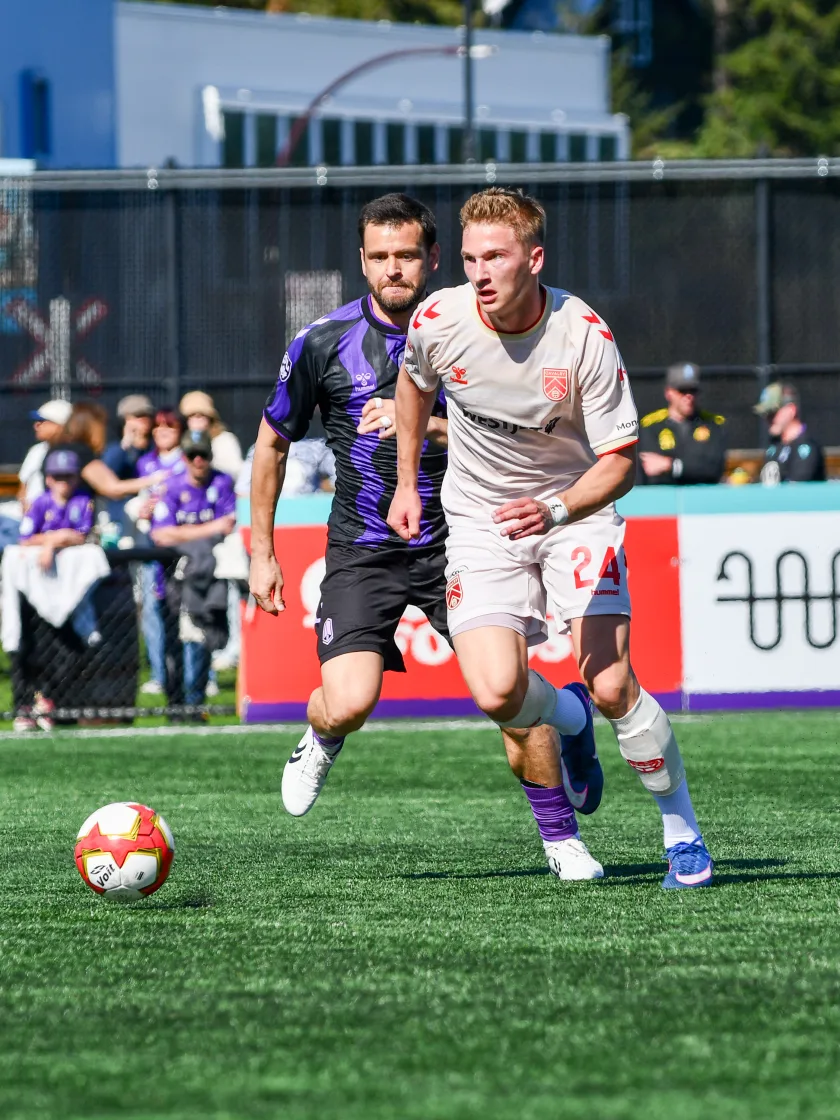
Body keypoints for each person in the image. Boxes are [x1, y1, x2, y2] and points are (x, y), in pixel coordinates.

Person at [249, 192, 603, 882]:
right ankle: (321, 737)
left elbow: (528, 428)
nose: (393, 269)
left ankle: (562, 841)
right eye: (378, 257)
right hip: (362, 546)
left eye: (406, 255)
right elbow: (270, 445)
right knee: (349, 700)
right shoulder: (322, 341)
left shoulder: (472, 329)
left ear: (433, 258)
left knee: (509, 698)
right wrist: (261, 552)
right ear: (362, 262)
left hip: (464, 539)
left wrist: (424, 423)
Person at [387, 187, 713, 890]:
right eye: (470, 257)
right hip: (479, 517)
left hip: (576, 514)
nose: (478, 272)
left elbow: (620, 462)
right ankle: (567, 720)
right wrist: (408, 482)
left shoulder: (584, 335)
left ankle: (682, 832)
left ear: (533, 259)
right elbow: (411, 387)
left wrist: (558, 510)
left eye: (495, 257)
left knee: (613, 683)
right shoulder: (439, 319)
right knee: (499, 693)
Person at [150, 432, 236, 710]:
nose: (198, 461)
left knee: (202, 635)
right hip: (173, 577)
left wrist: (183, 533)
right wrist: (208, 530)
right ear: (184, 458)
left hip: (209, 577)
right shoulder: (172, 486)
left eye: (204, 455)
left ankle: (196, 701)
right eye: (191, 455)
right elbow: (161, 534)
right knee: (173, 640)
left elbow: (231, 523)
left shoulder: (222, 482)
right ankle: (176, 703)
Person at [128, 408, 187, 696]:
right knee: (152, 610)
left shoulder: (190, 460)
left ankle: (199, 676)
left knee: (188, 611)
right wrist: (142, 510)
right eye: (159, 427)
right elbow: (139, 501)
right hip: (152, 548)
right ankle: (159, 673)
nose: (162, 431)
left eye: (170, 427)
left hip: (183, 546)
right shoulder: (145, 463)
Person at [17, 448, 101, 646]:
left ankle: (85, 624)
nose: (63, 482)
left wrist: (51, 541)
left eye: (68, 476)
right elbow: (25, 538)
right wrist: (55, 539)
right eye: (57, 476)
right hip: (43, 568)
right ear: (48, 479)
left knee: (87, 568)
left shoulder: (82, 500)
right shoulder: (40, 502)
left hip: (69, 567)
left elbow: (81, 535)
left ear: (77, 478)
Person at [47, 401, 166, 503]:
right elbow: (113, 488)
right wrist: (154, 479)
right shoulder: (81, 452)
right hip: (72, 521)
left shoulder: (55, 448)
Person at [638, 363, 727, 485]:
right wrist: (692, 465)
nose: (688, 396)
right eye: (682, 390)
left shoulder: (713, 425)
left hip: (701, 497)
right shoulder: (651, 426)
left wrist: (671, 465)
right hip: (662, 498)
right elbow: (650, 468)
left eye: (693, 390)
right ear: (668, 393)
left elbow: (713, 469)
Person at [102, 394, 156, 529]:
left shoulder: (156, 447)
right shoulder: (115, 448)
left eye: (147, 415)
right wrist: (127, 442)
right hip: (120, 515)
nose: (144, 420)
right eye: (137, 416)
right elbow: (108, 473)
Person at [754, 382, 825, 484]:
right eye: (765, 414)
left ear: (791, 410)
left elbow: (797, 491)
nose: (768, 418)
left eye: (773, 412)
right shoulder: (774, 448)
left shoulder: (806, 447)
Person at [18, 398, 74, 509]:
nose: (36, 426)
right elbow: (22, 488)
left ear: (60, 425)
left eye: (42, 421)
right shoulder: (36, 451)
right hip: (34, 521)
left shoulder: (76, 452)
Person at [179, 391, 244, 480]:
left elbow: (236, 471)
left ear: (211, 418)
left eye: (201, 415)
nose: (197, 419)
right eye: (192, 415)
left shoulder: (224, 440)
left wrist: (206, 465)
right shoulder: (179, 440)